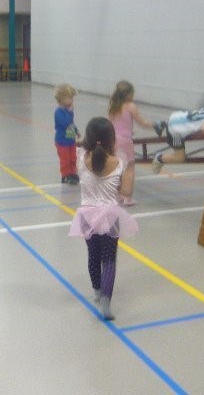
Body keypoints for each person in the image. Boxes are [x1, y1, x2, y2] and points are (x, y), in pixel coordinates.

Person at [69, 116, 138, 321]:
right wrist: (130, 172)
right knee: (108, 260)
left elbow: (77, 146)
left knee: (93, 255)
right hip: (109, 216)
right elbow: (126, 192)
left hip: (86, 215)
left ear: (89, 138)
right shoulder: (119, 163)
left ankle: (97, 292)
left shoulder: (81, 156)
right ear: (112, 140)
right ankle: (106, 300)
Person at [151, 88, 204, 174]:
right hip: (176, 132)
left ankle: (163, 123)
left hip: (176, 118)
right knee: (179, 158)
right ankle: (159, 158)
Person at [108, 80, 156, 206]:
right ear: (129, 94)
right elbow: (142, 122)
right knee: (129, 168)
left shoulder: (113, 106)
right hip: (125, 142)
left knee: (117, 167)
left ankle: (116, 194)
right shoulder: (130, 106)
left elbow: (113, 124)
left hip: (113, 140)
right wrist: (155, 125)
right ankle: (126, 196)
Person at [54, 83, 81, 185]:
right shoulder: (58, 112)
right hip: (62, 141)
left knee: (73, 158)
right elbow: (65, 123)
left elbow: (71, 123)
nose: (72, 100)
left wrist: (76, 131)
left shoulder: (67, 111)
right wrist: (70, 112)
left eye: (72, 98)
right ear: (61, 99)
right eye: (69, 98)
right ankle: (65, 175)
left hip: (70, 140)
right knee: (65, 159)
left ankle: (72, 173)